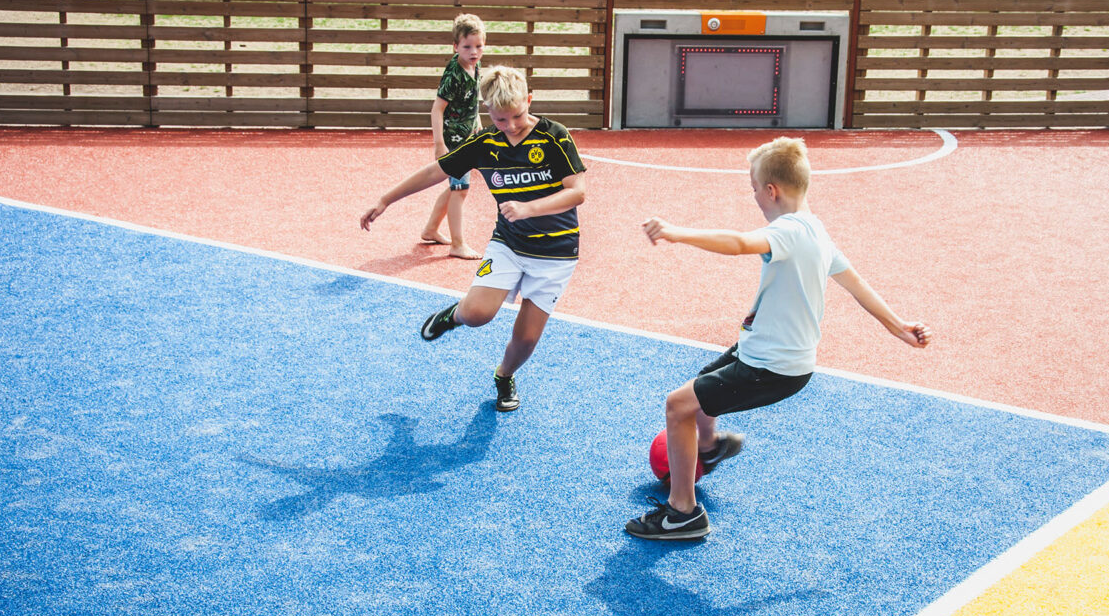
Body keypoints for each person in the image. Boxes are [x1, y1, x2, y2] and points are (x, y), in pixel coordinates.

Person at [626, 137, 931, 540]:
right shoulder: (816, 230)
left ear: (771, 190)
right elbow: (856, 284)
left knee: (677, 406)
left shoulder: (787, 230)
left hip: (771, 367)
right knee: (698, 394)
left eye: (754, 188)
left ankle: (683, 513)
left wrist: (675, 232)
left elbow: (738, 244)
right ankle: (709, 446)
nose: (754, 196)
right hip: (765, 354)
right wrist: (899, 327)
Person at [360, 66, 587, 412]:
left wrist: (530, 208)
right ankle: (453, 315)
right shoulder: (485, 143)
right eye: (499, 120)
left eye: (517, 116)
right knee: (479, 313)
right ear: (487, 113)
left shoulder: (554, 136)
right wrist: (385, 199)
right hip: (509, 245)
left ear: (529, 100)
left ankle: (504, 375)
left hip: (556, 254)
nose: (510, 126)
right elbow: (436, 171)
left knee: (526, 339)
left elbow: (577, 192)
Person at [421, 13, 487, 260]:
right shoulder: (454, 74)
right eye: (467, 47)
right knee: (460, 189)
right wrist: (439, 143)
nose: (474, 52)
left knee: (455, 188)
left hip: (467, 136)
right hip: (453, 140)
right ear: (455, 46)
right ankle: (457, 243)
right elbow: (437, 109)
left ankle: (430, 228)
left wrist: (477, 120)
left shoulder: (474, 65)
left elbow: (471, 100)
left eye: (479, 46)